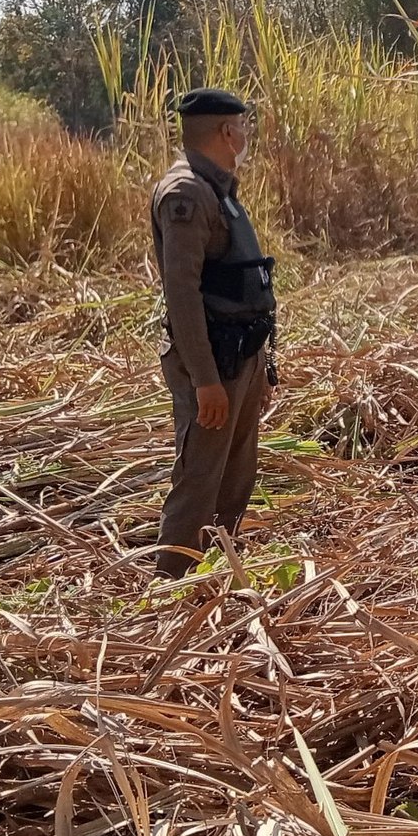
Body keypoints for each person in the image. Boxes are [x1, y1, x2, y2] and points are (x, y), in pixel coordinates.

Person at [150, 87, 277, 576]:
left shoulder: (218, 188)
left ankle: (217, 573)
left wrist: (261, 369)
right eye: (242, 127)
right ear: (227, 131)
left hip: (240, 356)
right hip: (213, 361)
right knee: (200, 477)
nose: (245, 136)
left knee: (236, 475)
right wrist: (205, 379)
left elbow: (242, 283)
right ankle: (172, 585)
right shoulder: (185, 194)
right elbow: (181, 294)